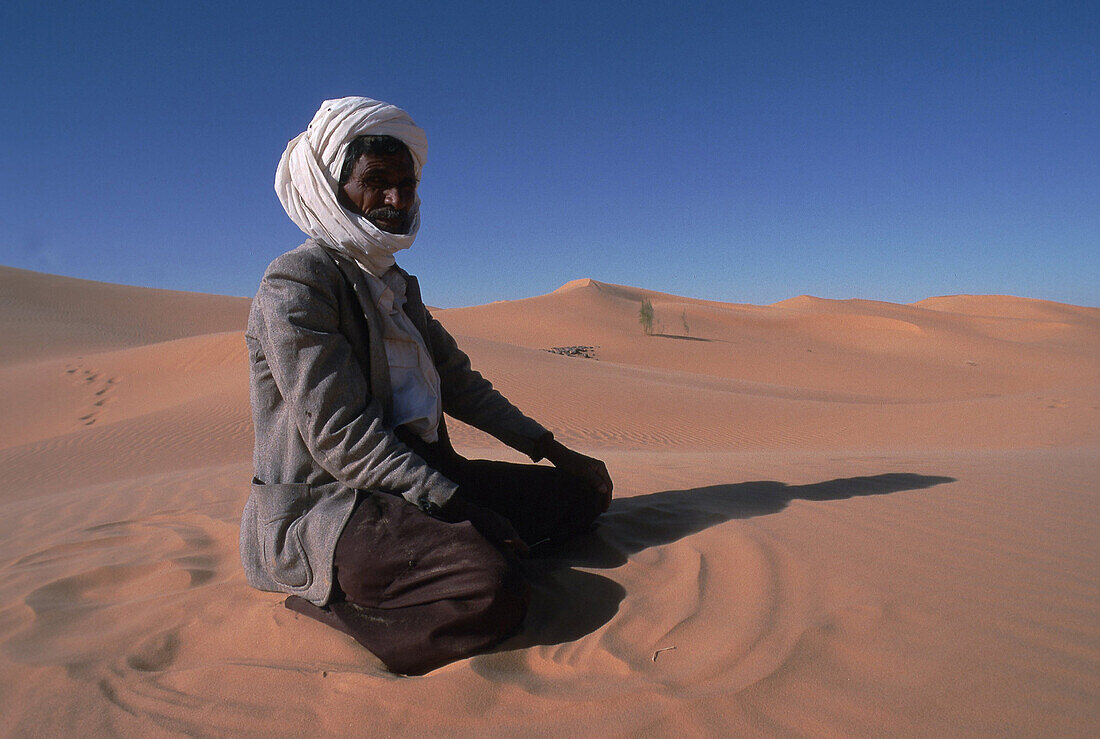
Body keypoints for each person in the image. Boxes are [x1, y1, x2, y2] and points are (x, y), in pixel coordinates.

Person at [240, 97, 613, 676]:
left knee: (580, 497)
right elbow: (341, 436)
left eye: (406, 184)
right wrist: (462, 507)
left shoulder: (395, 286)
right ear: (332, 187)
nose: (395, 199)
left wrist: (552, 449)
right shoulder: (297, 282)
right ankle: (328, 601)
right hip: (334, 502)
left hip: (420, 480)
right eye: (376, 182)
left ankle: (449, 554)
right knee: (491, 592)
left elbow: (460, 383)